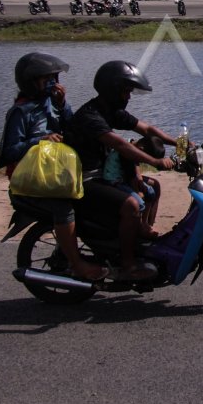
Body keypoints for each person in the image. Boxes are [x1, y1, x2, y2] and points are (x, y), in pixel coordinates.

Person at [0, 52, 109, 282]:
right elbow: (8, 152)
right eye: (46, 79)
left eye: (54, 79)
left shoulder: (51, 103)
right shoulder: (21, 111)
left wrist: (62, 105)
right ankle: (77, 265)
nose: (53, 84)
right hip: (30, 182)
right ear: (30, 82)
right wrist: (40, 141)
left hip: (55, 176)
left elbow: (72, 129)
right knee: (63, 208)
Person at [64, 61, 177, 281]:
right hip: (85, 178)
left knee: (153, 185)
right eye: (126, 91)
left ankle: (140, 234)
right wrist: (155, 161)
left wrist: (182, 143)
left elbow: (147, 129)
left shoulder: (112, 111)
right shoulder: (91, 116)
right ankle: (128, 265)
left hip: (104, 175)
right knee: (131, 204)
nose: (129, 97)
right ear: (111, 89)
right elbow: (120, 145)